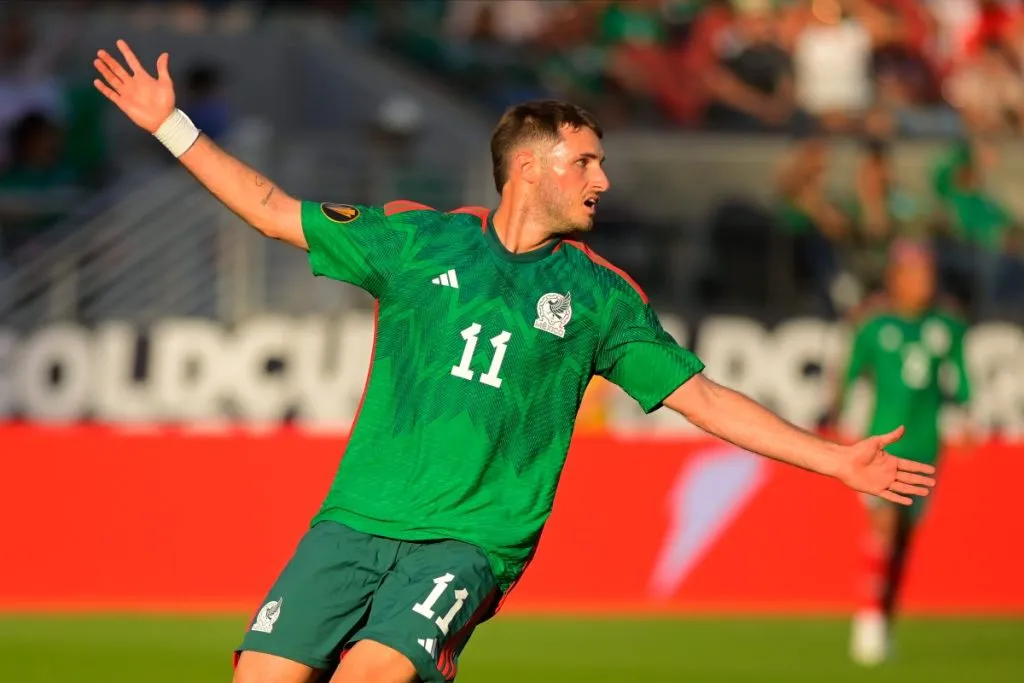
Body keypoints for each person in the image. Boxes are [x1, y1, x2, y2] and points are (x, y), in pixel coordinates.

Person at [93, 40, 936, 683]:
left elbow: (703, 397)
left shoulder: (601, 296)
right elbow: (274, 210)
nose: (603, 180)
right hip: (354, 519)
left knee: (369, 676)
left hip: (469, 541)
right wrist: (171, 123)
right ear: (529, 168)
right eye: (586, 162)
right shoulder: (419, 240)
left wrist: (833, 458)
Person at [831, 240, 972, 667]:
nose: (925, 282)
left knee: (905, 539)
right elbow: (850, 373)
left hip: (927, 445)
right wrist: (841, 419)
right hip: (883, 442)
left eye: (929, 273)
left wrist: (963, 417)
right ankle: (868, 622)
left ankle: (885, 619)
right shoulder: (874, 326)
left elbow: (960, 380)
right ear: (896, 278)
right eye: (916, 273)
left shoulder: (947, 325)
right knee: (885, 525)